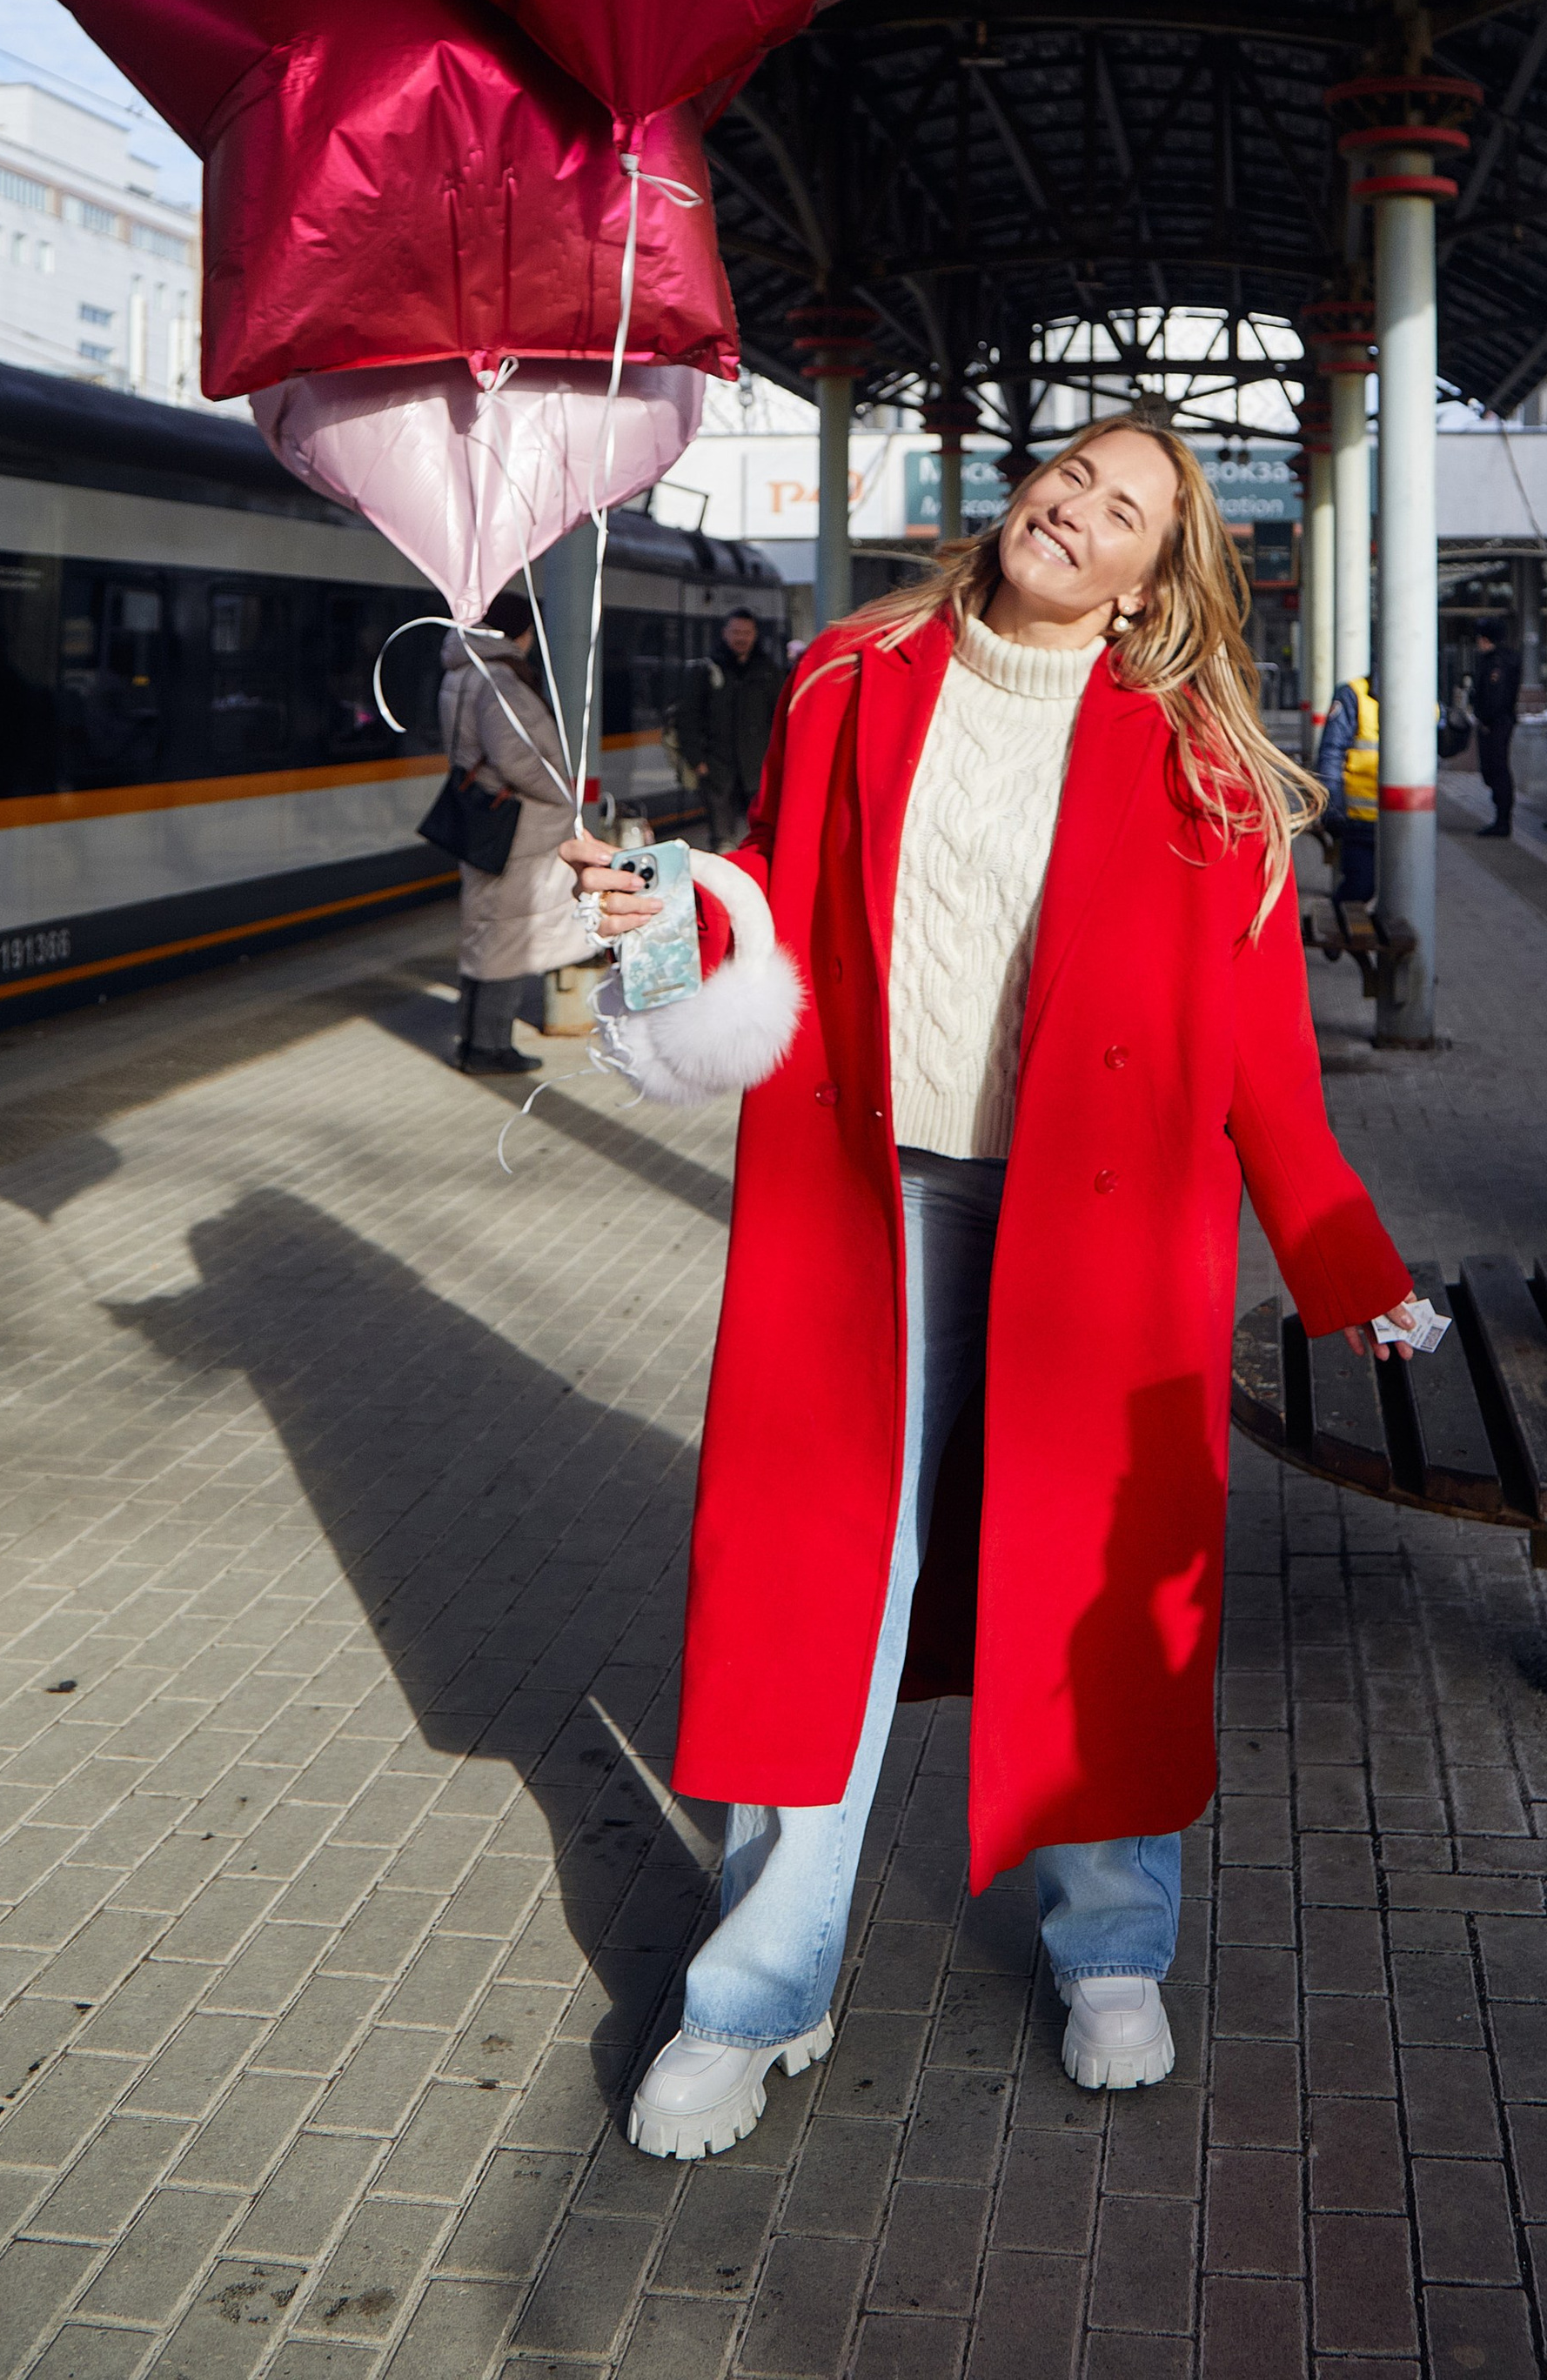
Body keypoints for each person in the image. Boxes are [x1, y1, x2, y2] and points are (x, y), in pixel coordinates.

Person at [566, 416, 1416, 2158]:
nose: (1072, 511)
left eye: (1122, 511)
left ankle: (1111, 1947)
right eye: (1067, 477)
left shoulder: (1198, 761)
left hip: (1095, 1242)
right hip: (860, 1206)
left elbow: (1262, 1057)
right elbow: (772, 922)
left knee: (1093, 1590)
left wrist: (1341, 1258)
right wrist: (651, 918)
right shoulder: (844, 677)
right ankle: (754, 1986)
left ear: (1151, 578)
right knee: (816, 1596)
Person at [438, 592, 590, 1076]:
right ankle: (489, 1046)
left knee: (483, 931)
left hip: (481, 814)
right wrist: (559, 795)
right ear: (518, 632)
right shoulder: (499, 679)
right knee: (509, 935)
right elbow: (514, 755)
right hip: (514, 823)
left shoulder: (460, 673)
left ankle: (471, 1040)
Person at [671, 607, 783, 851]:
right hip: (718, 768)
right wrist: (697, 760)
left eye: (746, 632)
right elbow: (688, 717)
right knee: (723, 841)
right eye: (736, 632)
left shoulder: (768, 672)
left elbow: (780, 718)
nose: (741, 638)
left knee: (763, 835)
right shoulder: (706, 669)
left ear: (755, 635)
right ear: (725, 633)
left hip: (758, 768)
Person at [1315, 673, 1379, 902]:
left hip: (1407, 822)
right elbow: (1331, 754)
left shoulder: (1423, 695)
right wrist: (1333, 807)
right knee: (1359, 889)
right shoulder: (1354, 695)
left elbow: (1444, 745)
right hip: (1360, 820)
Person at [1470, 618, 1521, 838]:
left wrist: (1487, 720)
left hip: (1496, 724)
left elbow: (1495, 697)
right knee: (1493, 770)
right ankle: (1501, 818)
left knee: (1497, 770)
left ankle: (1502, 821)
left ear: (1485, 639)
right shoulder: (1495, 660)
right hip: (1496, 723)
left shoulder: (1497, 663)